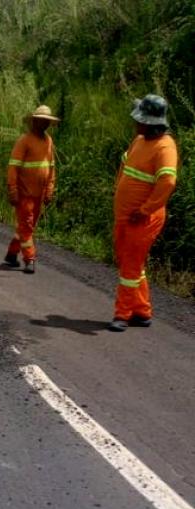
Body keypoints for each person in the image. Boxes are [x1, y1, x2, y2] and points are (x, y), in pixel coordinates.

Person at [108, 94, 178, 332]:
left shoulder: (165, 147)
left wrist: (146, 209)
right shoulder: (139, 140)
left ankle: (123, 314)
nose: (135, 123)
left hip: (144, 219)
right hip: (125, 215)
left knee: (130, 265)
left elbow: (167, 182)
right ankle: (141, 310)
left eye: (140, 120)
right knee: (129, 262)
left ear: (151, 123)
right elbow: (125, 165)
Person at [3, 105, 60, 274]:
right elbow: (13, 167)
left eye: (47, 121)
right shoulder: (24, 141)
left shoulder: (48, 141)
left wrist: (49, 189)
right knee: (26, 227)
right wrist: (13, 190)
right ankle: (29, 258)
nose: (45, 124)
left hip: (38, 195)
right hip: (24, 194)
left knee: (26, 227)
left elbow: (51, 167)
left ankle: (11, 254)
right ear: (34, 121)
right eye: (42, 120)